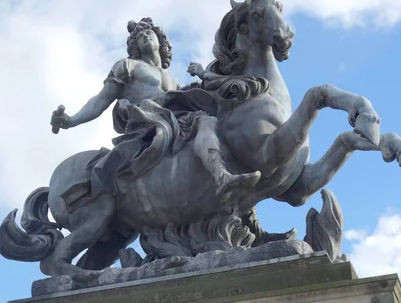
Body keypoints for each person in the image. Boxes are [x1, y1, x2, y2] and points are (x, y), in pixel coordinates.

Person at [50, 17, 260, 202]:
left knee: (211, 120)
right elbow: (100, 100)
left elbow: (198, 95)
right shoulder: (128, 66)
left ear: (161, 42)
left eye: (149, 33)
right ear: (135, 46)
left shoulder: (173, 81)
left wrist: (204, 74)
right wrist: (70, 120)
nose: (145, 36)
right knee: (202, 120)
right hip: (146, 121)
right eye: (140, 36)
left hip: (176, 118)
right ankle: (221, 176)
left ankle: (221, 174)